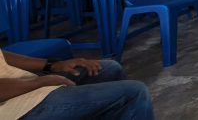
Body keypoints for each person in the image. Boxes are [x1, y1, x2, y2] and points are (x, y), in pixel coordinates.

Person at [0, 50, 153, 120]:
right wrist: (40, 82)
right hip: (14, 109)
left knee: (109, 69)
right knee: (134, 93)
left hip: (23, 86)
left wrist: (53, 65)